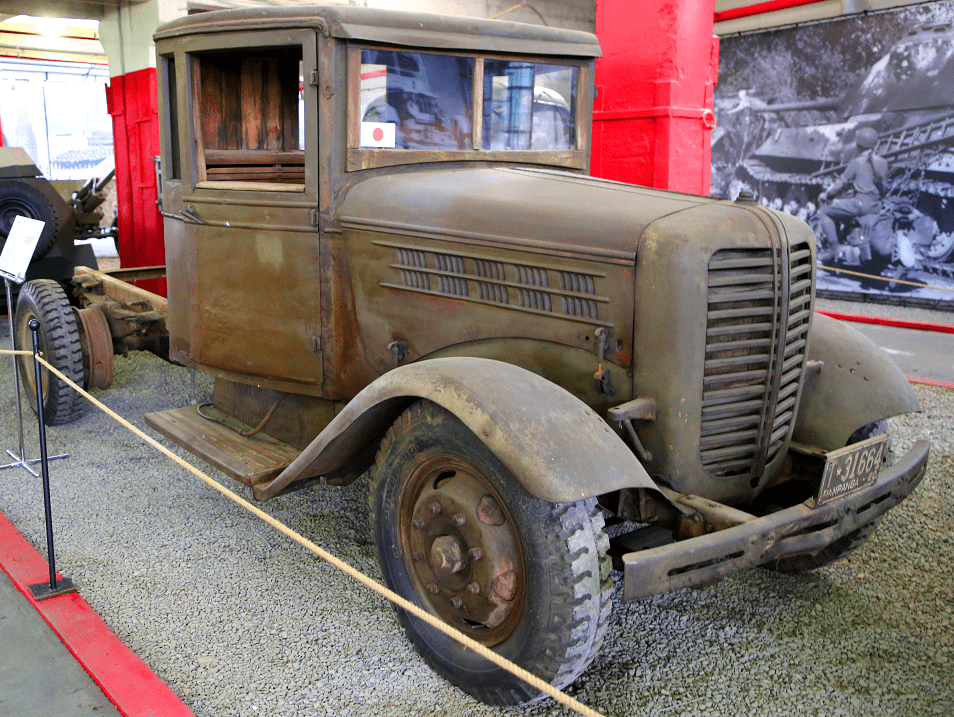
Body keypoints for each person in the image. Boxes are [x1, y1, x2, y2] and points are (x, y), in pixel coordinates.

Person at [816, 126, 888, 258]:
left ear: (858, 145)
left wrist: (828, 194)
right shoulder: (883, 162)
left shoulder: (856, 162)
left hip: (859, 205)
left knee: (824, 212)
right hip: (875, 206)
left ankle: (834, 249)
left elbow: (840, 184)